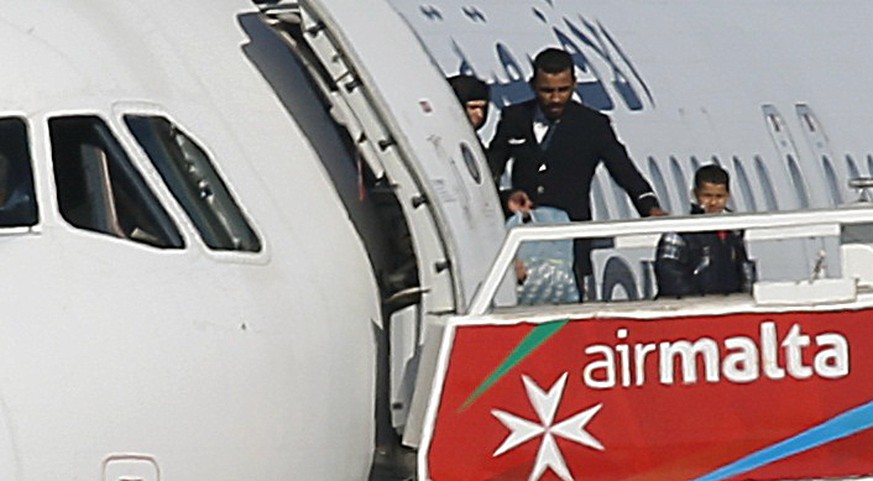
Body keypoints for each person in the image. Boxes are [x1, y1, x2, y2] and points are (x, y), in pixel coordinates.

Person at [487, 47, 666, 286]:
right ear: (532, 85)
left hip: (571, 232)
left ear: (574, 85)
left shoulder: (592, 125)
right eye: (547, 91)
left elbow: (624, 171)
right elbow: (492, 167)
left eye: (563, 90)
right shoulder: (514, 118)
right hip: (524, 230)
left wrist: (649, 207)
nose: (555, 98)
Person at [654, 164, 754, 298]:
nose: (713, 202)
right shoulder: (679, 233)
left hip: (729, 304)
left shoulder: (734, 230)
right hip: (692, 307)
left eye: (719, 197)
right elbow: (669, 274)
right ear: (695, 194)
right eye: (707, 196)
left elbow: (743, 269)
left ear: (727, 196)